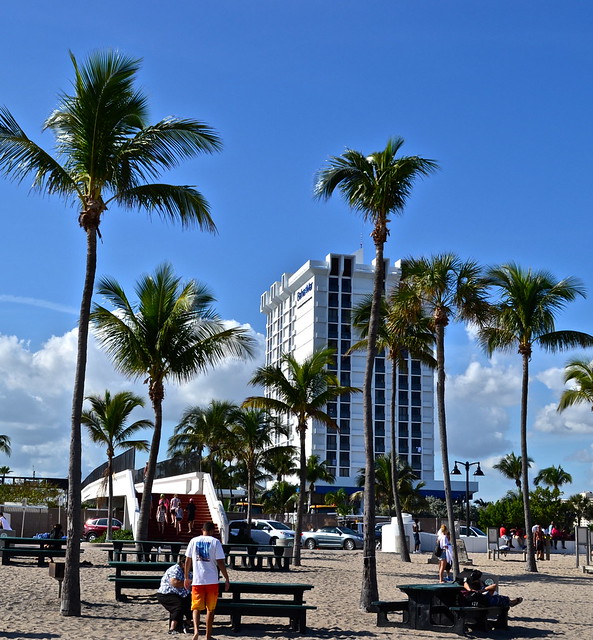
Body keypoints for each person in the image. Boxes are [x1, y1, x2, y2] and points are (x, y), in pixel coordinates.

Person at [184, 521, 230, 640]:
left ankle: (196, 631)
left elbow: (187, 560)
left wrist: (186, 577)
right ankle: (208, 635)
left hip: (197, 579)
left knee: (196, 607)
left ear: (202, 530)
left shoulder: (193, 541)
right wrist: (226, 577)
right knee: (210, 608)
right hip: (212, 580)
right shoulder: (215, 542)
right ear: (212, 531)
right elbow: (220, 562)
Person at [157, 556, 193, 635]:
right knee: (178, 606)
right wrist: (187, 583)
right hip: (167, 593)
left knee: (192, 603)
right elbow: (174, 583)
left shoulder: (190, 571)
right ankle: (172, 628)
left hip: (182, 594)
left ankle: (187, 622)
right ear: (183, 564)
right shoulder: (175, 569)